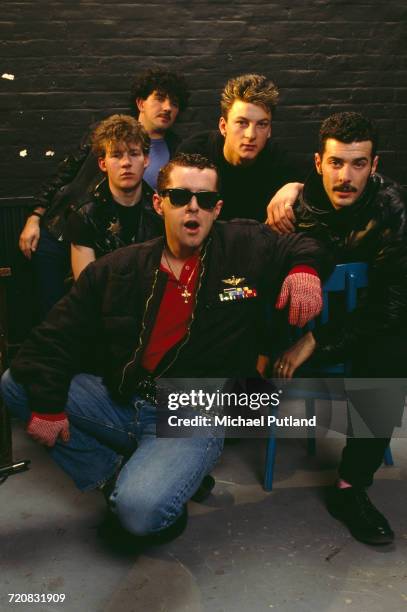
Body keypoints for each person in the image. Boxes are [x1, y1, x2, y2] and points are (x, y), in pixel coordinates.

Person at [1, 153, 329, 545]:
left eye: (205, 200)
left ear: (217, 208)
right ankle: (113, 472)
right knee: (15, 385)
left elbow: (307, 243)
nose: (193, 208)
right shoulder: (120, 267)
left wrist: (305, 269)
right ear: (159, 203)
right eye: (179, 197)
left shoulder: (244, 244)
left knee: (138, 515)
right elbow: (51, 337)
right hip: (122, 399)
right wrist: (50, 405)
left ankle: (153, 477)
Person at [270, 111, 407, 546]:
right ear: (317, 163)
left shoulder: (393, 209)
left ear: (375, 165)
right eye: (335, 163)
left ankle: (351, 488)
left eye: (358, 164)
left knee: (392, 351)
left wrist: (317, 339)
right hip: (290, 329)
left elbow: (392, 302)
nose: (345, 176)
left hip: (354, 332)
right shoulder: (293, 207)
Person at [18, 67, 189, 316]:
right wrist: (34, 217)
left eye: (174, 103)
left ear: (145, 157)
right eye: (160, 99)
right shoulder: (105, 134)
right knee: (58, 314)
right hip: (61, 231)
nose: (167, 107)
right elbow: (64, 174)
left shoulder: (176, 147)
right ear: (141, 102)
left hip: (112, 242)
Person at [177, 73, 304, 222]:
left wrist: (296, 187)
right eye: (242, 123)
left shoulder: (280, 161)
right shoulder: (195, 152)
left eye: (262, 124)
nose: (251, 135)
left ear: (269, 130)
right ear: (223, 126)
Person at [64, 114, 162, 280]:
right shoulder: (84, 215)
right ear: (103, 164)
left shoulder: (160, 210)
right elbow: (86, 287)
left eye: (133, 153)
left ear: (145, 160)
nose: (126, 163)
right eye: (116, 155)